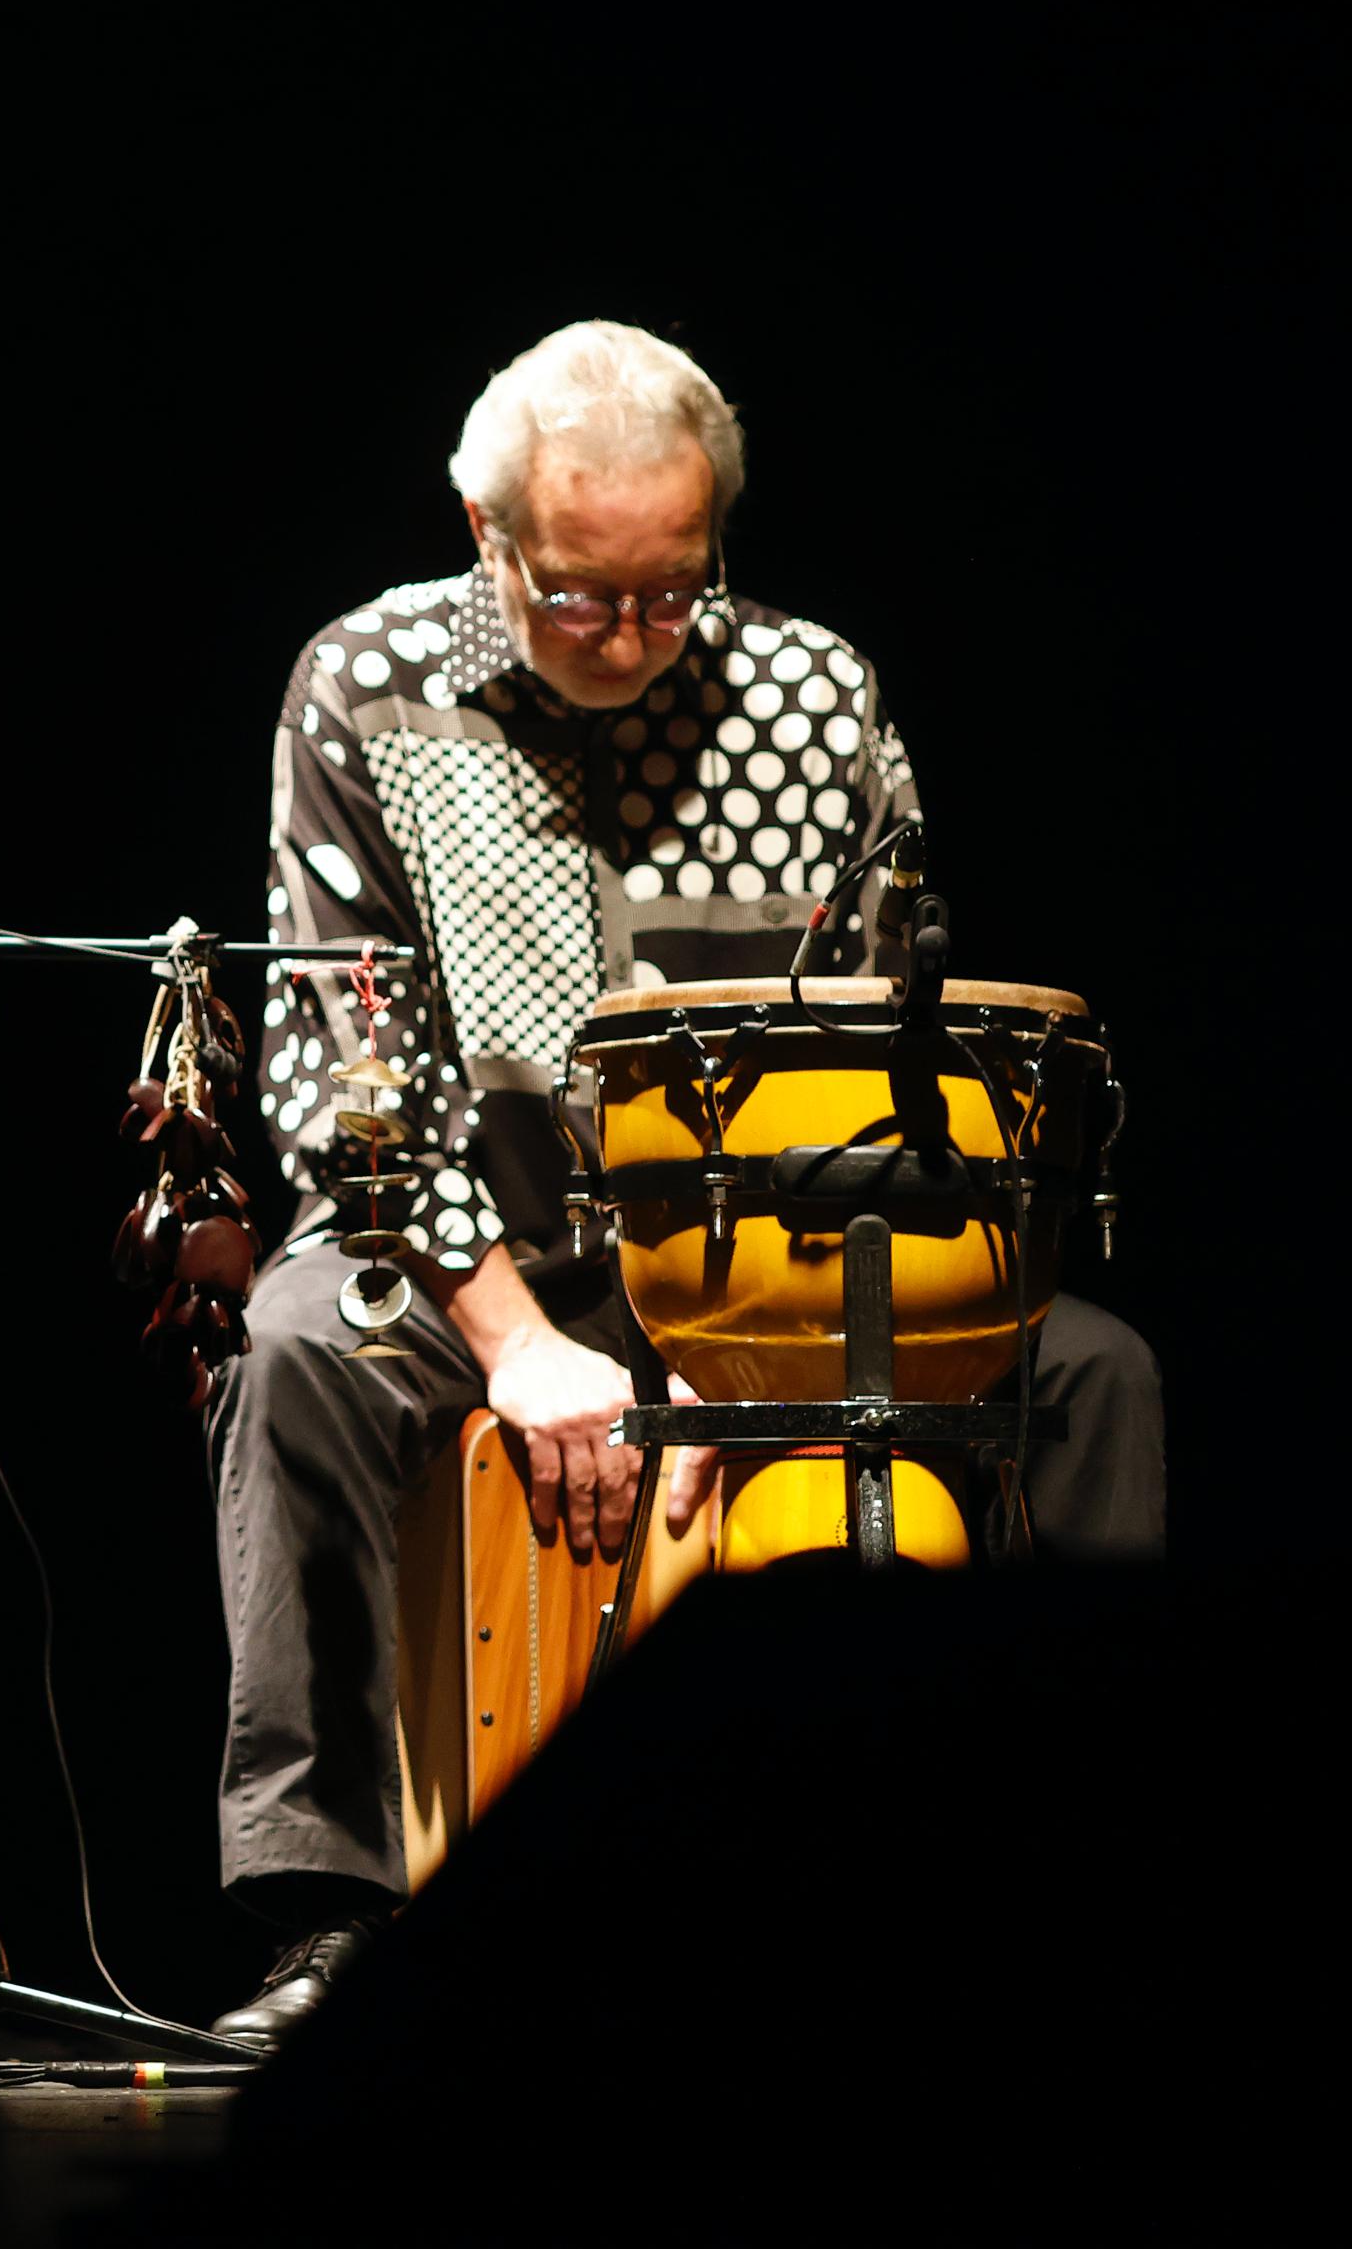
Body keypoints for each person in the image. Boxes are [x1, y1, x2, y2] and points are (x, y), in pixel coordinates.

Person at [204, 321, 1166, 2048]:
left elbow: (899, 1033)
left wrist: (775, 1338)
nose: (636, 637)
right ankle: (329, 1916)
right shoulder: (360, 680)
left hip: (773, 1256)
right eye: (584, 597)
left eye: (675, 590)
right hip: (477, 1252)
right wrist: (511, 1338)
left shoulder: (814, 686)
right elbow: (349, 1084)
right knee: (299, 1352)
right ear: (486, 532)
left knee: (1094, 1370)